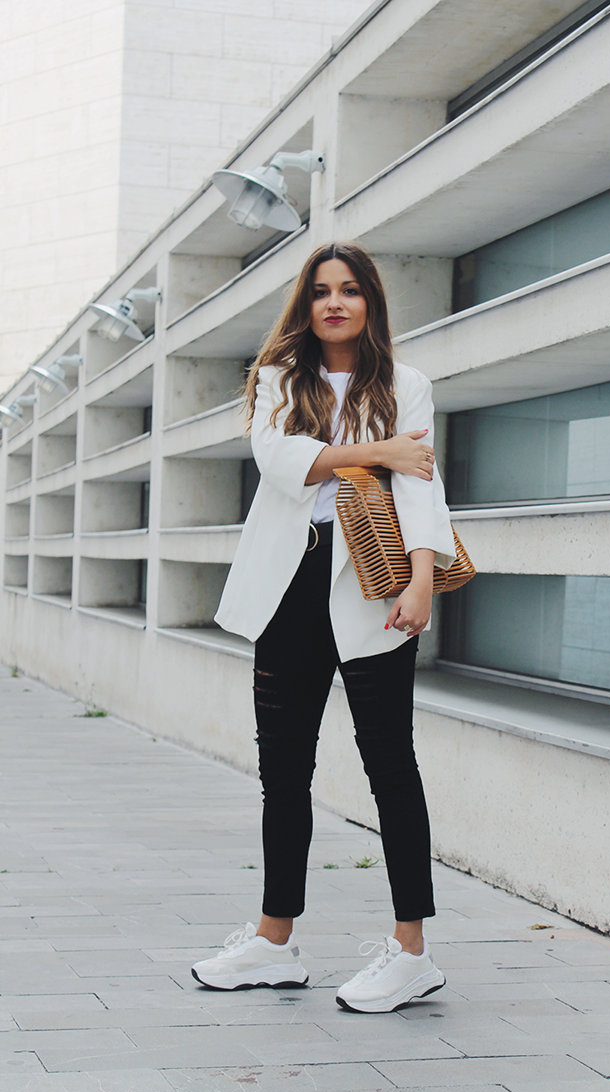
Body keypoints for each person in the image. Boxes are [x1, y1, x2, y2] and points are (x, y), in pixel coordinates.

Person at [191, 242, 456, 1013]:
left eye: (349, 290)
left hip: (370, 582)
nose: (334, 303)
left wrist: (423, 578)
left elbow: (422, 488)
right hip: (288, 586)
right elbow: (283, 462)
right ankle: (276, 941)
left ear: (371, 300)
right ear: (305, 305)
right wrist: (379, 450)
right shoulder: (279, 379)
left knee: (389, 765)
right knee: (284, 772)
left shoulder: (408, 384)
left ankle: (412, 950)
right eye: (320, 292)